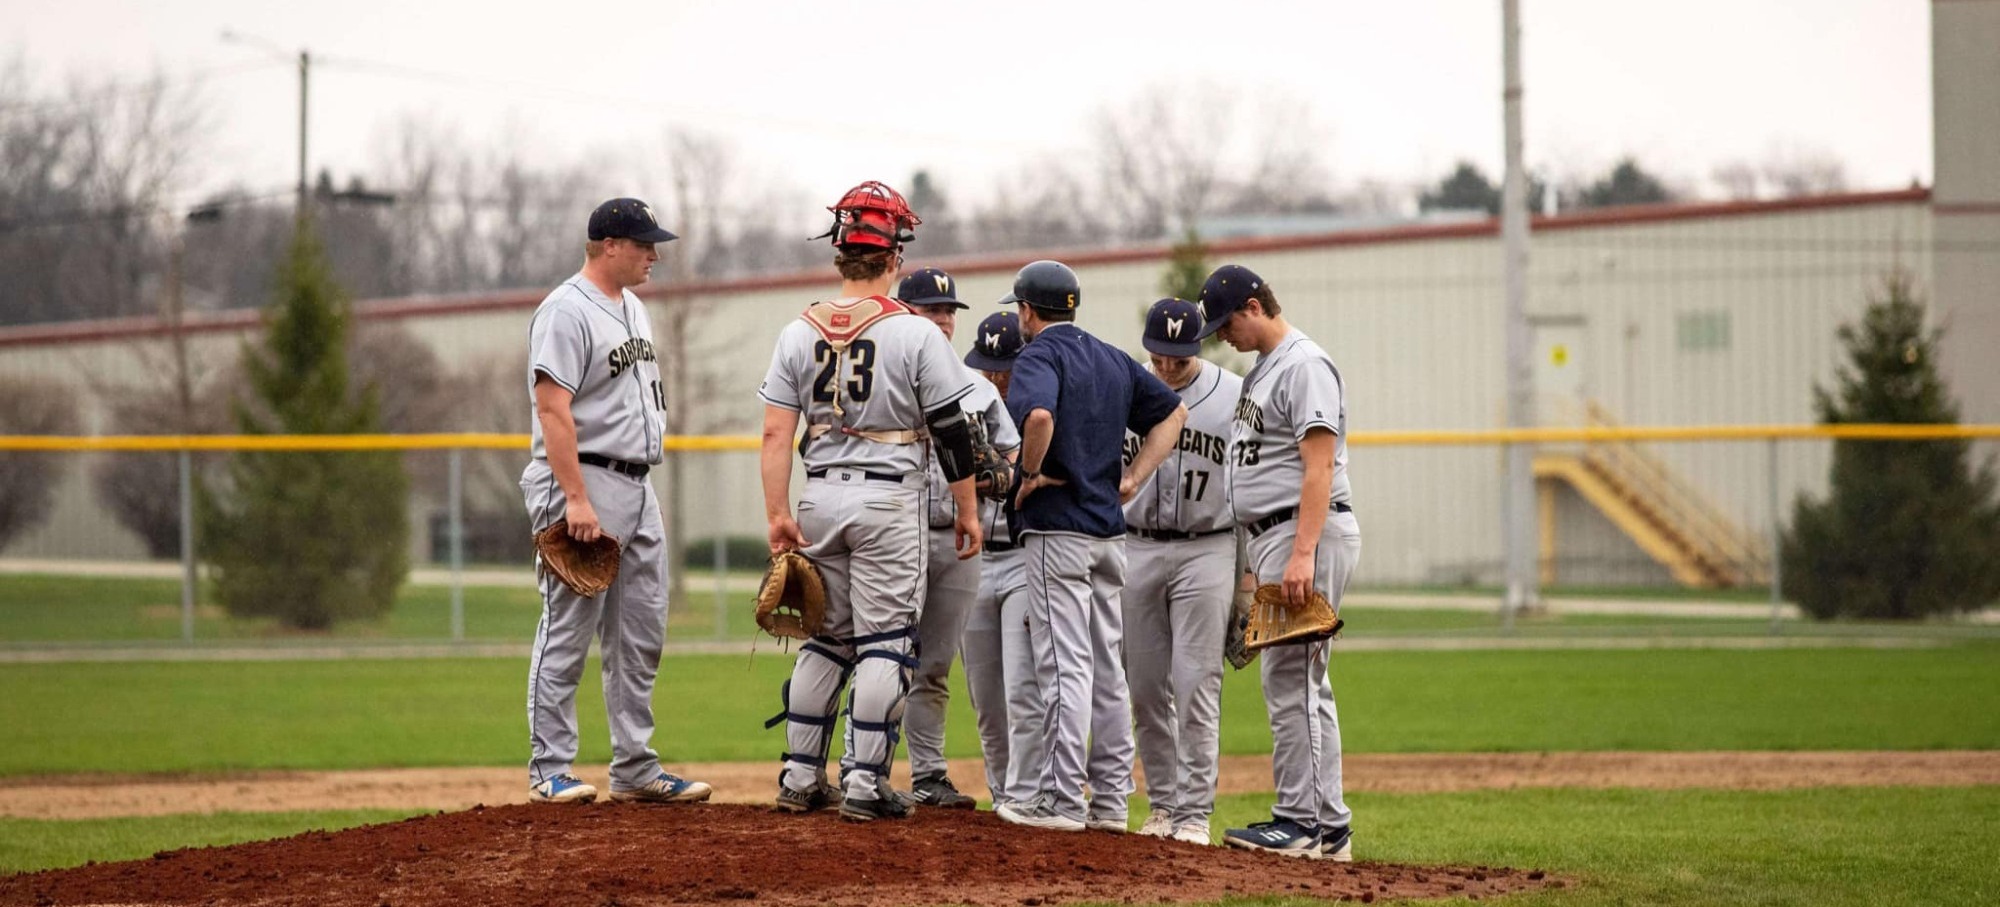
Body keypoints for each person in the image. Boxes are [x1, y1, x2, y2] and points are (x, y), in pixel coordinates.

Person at [758, 181, 983, 822]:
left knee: (826, 640)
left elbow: (777, 431)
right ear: (894, 259)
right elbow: (950, 429)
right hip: (889, 501)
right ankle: (863, 783)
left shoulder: (796, 331)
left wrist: (778, 514)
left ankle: (801, 777)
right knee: (888, 641)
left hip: (819, 495)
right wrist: (967, 510)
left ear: (839, 254)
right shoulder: (914, 333)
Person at [521, 197, 712, 806]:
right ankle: (549, 769)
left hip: (637, 484)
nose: (655, 254)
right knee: (568, 628)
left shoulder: (633, 309)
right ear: (609, 245)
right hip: (584, 481)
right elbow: (553, 409)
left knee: (641, 630)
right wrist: (575, 500)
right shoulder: (564, 311)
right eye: (644, 244)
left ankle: (634, 766)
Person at [993, 260, 1188, 833]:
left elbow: (1040, 416)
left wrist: (1028, 474)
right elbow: (1174, 412)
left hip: (1059, 530)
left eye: (1019, 309)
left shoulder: (1038, 354)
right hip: (1108, 534)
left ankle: (1060, 801)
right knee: (1107, 670)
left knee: (1064, 665)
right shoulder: (1112, 357)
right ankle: (1107, 803)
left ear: (1028, 310)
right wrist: (1134, 479)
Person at [1195, 264, 1360, 861]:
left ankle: (1309, 824)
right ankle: (1320, 824)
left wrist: (1302, 555)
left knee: (1295, 679)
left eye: (1227, 323)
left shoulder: (1304, 365)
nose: (1223, 337)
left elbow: (1318, 467)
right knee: (1290, 680)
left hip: (1303, 532)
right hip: (1276, 538)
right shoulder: (1265, 372)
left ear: (1254, 307)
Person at [1120, 298, 1242, 845]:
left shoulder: (1235, 398)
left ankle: (1194, 813)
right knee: (1144, 688)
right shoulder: (1124, 385)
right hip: (1136, 545)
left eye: (1179, 357)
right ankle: (1163, 806)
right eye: (1159, 356)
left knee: (1197, 684)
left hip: (1207, 547)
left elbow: (1253, 489)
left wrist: (1248, 581)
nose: (1167, 366)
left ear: (1200, 347)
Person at [896, 267, 1019, 810]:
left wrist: (996, 474)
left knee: (934, 666)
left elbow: (1010, 455)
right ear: (904, 313)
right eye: (931, 310)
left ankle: (928, 775)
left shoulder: (975, 388)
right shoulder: (885, 376)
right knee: (881, 657)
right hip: (894, 535)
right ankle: (863, 769)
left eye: (948, 311)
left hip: (957, 538)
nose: (943, 320)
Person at [956, 310, 1047, 811]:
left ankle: (1026, 797)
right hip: (974, 561)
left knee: (1022, 690)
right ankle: (1002, 793)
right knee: (987, 702)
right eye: (987, 366)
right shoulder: (966, 406)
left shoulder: (1042, 412)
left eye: (1005, 368)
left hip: (1021, 560)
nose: (994, 377)